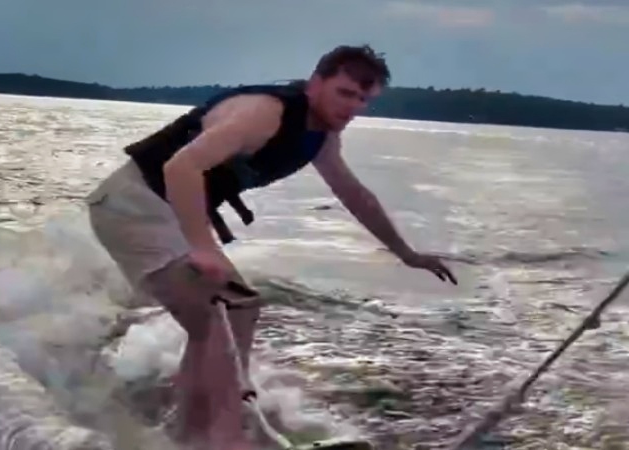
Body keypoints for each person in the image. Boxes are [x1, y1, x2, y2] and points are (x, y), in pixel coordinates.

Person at [85, 44, 457, 450]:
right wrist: (203, 248)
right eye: (345, 93)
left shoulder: (321, 136)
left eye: (364, 99)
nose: (353, 107)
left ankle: (190, 433)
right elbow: (181, 167)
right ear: (316, 83)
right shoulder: (264, 114)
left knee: (222, 315)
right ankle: (226, 439)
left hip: (167, 212)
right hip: (133, 206)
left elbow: (353, 193)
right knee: (232, 309)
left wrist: (406, 253)